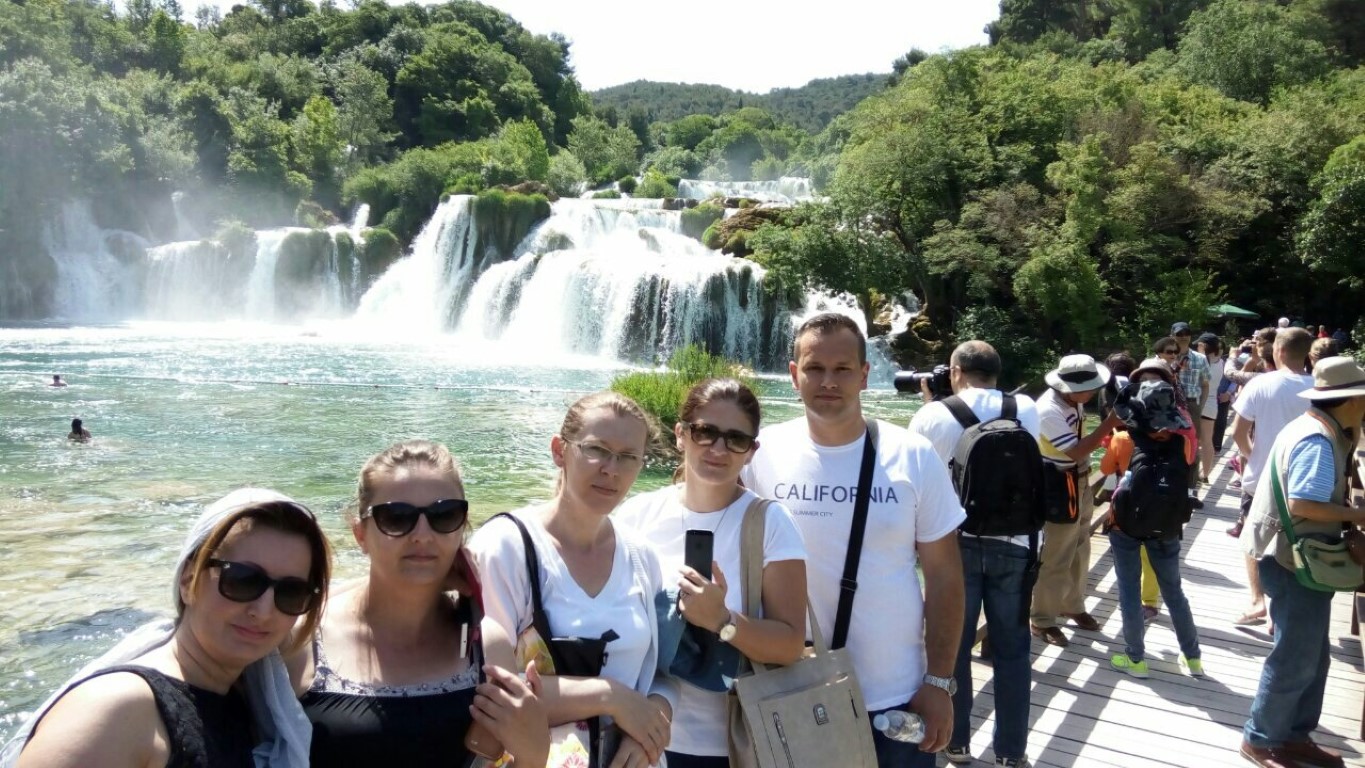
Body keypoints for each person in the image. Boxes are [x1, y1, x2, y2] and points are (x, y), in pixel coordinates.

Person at [740, 313, 965, 767]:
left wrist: (940, 681)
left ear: (864, 375)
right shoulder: (759, 454)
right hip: (791, 692)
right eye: (814, 368)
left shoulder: (913, 455)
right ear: (794, 375)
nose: (828, 381)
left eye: (842, 369)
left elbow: (944, 577)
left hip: (895, 696)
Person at [4, 488, 332, 768]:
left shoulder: (243, 702)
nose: (263, 611)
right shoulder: (117, 710)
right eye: (242, 580)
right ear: (188, 581)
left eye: (291, 593)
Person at [288, 440, 549, 767]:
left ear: (462, 527)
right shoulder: (302, 640)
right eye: (397, 517)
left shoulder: (487, 643)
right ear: (360, 534)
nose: (423, 535)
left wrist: (533, 754)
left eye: (444, 515)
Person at [472, 392, 675, 768]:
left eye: (628, 456)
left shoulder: (642, 556)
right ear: (559, 451)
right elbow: (492, 692)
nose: (612, 469)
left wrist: (650, 725)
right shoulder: (506, 546)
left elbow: (663, 673)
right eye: (597, 449)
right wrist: (610, 696)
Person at [615, 379, 807, 768]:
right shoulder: (634, 517)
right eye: (705, 432)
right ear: (681, 434)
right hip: (641, 737)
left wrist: (723, 621)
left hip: (734, 747)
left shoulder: (770, 523)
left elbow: (790, 645)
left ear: (751, 451)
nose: (718, 449)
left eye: (736, 439)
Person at [908, 341, 1037, 768]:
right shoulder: (1026, 408)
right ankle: (1011, 752)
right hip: (1016, 543)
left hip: (953, 545)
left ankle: (957, 742)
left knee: (954, 647)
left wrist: (931, 404)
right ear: (997, 372)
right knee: (1013, 649)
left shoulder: (933, 414)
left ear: (955, 371)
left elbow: (912, 476)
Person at [1239, 356, 1365, 768]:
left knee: (1311, 654)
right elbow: (1303, 503)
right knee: (1295, 656)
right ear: (1350, 400)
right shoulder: (1318, 440)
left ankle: (1293, 736)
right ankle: (1261, 740)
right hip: (1292, 559)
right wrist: (1358, 515)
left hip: (1292, 555)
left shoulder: (1314, 426)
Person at [1104, 366, 1203, 680]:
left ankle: (1136, 659)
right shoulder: (1184, 441)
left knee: (1129, 591)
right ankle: (1193, 658)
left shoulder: (1124, 439)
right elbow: (1190, 467)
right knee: (1174, 592)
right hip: (1167, 524)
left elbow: (1107, 469)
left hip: (1125, 525)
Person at [1029, 354, 1122, 648]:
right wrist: (1110, 423)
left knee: (1081, 544)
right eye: (1090, 387)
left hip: (1079, 478)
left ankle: (1072, 604)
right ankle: (1042, 618)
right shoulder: (1048, 410)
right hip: (1059, 483)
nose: (1094, 391)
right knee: (1056, 555)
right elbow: (1076, 450)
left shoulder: (1073, 401)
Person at [1228, 327, 1314, 626]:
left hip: (1261, 478)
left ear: (1278, 350)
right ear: (1307, 353)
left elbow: (1238, 432)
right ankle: (1280, 611)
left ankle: (1257, 601)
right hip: (1304, 484)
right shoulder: (1320, 388)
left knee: (1254, 541)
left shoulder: (1261, 384)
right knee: (1292, 544)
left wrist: (1253, 456)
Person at [1169, 322, 1210, 510]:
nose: (1183, 337)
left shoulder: (1200, 358)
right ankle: (1169, 488)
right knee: (1168, 445)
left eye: (1186, 333)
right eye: (1179, 333)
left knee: (1193, 448)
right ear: (1172, 335)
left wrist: (1199, 407)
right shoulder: (1166, 356)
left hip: (1192, 404)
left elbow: (1205, 385)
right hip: (1169, 405)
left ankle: (1191, 492)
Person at [1195, 334, 1226, 482]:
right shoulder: (1221, 362)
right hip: (1212, 403)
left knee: (1193, 440)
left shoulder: (1201, 361)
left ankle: (1192, 472)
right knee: (1207, 441)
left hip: (1197, 401)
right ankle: (1205, 474)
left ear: (1203, 346)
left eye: (1199, 345)